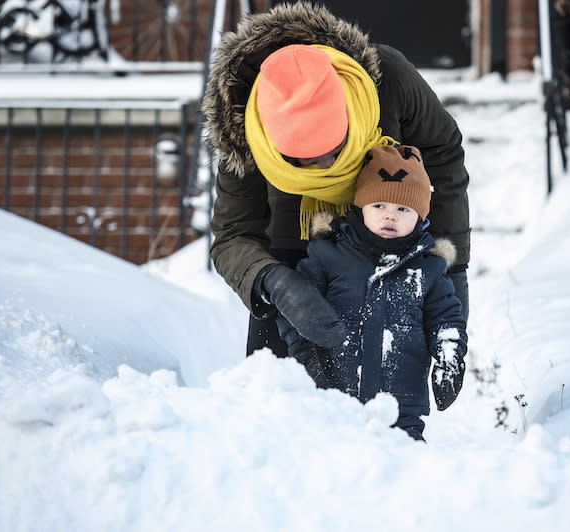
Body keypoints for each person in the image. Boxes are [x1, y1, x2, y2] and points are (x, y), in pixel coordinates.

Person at [202, 1, 471, 357]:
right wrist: (273, 281)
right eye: (304, 162)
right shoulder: (246, 132)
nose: (326, 168)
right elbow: (232, 236)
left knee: (389, 408)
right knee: (278, 404)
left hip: (389, 254)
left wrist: (451, 265)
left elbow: (444, 152)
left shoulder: (387, 80)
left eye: (337, 151)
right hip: (294, 267)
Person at [277, 145, 467, 441]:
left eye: (403, 209)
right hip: (333, 400)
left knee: (404, 473)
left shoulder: (429, 268)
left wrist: (449, 358)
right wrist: (305, 355)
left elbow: (446, 320)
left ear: (419, 216)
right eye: (379, 206)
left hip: (400, 408)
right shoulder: (328, 255)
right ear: (360, 207)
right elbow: (296, 307)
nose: (389, 216)